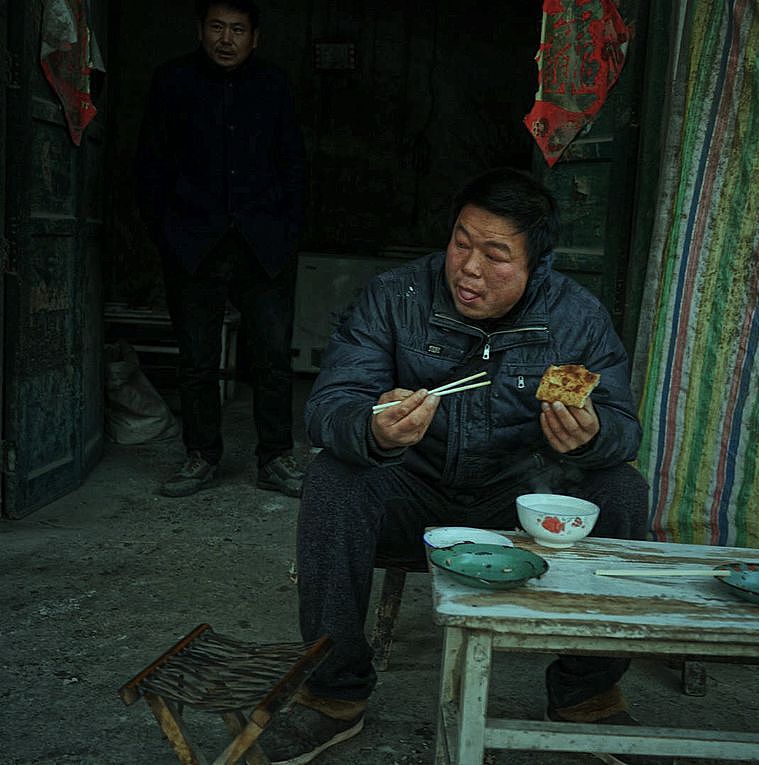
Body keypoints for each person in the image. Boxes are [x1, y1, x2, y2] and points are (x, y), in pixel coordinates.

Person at [264, 167, 651, 765]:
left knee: (621, 488)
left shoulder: (577, 317)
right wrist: (371, 426)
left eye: (495, 254)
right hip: (412, 493)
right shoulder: (396, 297)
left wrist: (593, 435)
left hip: (519, 500)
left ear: (535, 266)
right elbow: (330, 404)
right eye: (461, 242)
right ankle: (332, 693)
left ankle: (586, 692)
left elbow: (624, 427)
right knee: (333, 477)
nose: (469, 267)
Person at [135, 0, 305, 498]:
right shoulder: (173, 81)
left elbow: (294, 163)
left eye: (237, 29)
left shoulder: (273, 85)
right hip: (193, 244)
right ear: (200, 30)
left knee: (272, 357)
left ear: (256, 37)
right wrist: (167, 234)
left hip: (264, 244)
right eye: (216, 27)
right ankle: (201, 456)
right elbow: (149, 165)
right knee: (197, 359)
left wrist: (288, 229)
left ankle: (275, 457)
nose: (226, 39)